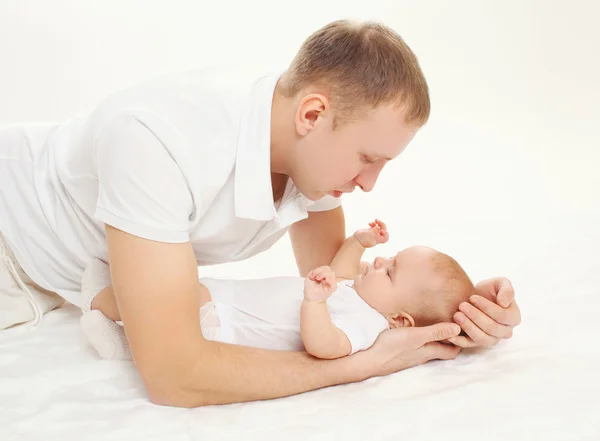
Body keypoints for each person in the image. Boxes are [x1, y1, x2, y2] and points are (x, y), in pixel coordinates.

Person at [0, 20, 521, 407]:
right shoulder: (157, 141)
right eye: (368, 158)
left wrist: (463, 313)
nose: (369, 184)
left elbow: (343, 292)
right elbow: (175, 375)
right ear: (312, 114)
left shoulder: (307, 148)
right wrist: (365, 366)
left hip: (67, 282)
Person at [80, 220, 490, 361]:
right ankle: (123, 343)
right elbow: (344, 268)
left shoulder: (368, 326)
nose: (379, 264)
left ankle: (100, 301)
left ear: (400, 320)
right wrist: (360, 243)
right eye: (389, 257)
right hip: (228, 300)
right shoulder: (360, 293)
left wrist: (314, 304)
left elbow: (326, 346)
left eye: (390, 272)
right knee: (176, 298)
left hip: (229, 323)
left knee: (165, 297)